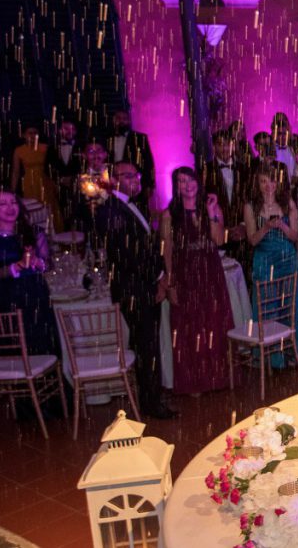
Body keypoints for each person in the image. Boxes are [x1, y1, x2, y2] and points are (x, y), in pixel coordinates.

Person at [95, 162, 175, 418]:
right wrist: (157, 279)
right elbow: (130, 256)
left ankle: (152, 399)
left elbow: (149, 247)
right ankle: (152, 405)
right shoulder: (110, 211)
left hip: (143, 285)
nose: (135, 180)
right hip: (136, 290)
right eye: (128, 176)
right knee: (146, 347)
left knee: (149, 345)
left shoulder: (132, 204)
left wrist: (161, 274)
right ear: (114, 180)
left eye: (136, 175)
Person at [160, 167, 231, 395]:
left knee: (213, 323)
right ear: (176, 187)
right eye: (181, 181)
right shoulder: (169, 214)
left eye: (190, 179)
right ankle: (195, 381)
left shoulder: (212, 208)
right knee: (190, 329)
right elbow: (167, 251)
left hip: (210, 273)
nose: (187, 185)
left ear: (197, 182)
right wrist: (170, 283)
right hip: (185, 275)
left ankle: (216, 377)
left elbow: (219, 240)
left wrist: (211, 212)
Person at [244, 161, 298, 366]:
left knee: (290, 306)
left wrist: (281, 225)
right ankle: (273, 357)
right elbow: (252, 240)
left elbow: (294, 236)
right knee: (267, 306)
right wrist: (265, 228)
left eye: (272, 181)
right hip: (264, 262)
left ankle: (292, 352)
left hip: (286, 261)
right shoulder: (250, 206)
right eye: (264, 181)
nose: (269, 186)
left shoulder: (287, 203)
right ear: (257, 183)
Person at [0, 187, 58, 355]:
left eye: (13, 202)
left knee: (43, 342)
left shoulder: (33, 231)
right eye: (3, 204)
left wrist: (38, 262)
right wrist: (17, 266)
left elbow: (49, 264)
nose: (10, 207)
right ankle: (20, 380)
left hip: (36, 293)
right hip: (6, 297)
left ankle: (49, 378)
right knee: (17, 347)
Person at [203, 130, 252, 256]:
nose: (224, 148)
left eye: (227, 144)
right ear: (214, 147)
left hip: (242, 233)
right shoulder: (205, 170)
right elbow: (202, 202)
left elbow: (251, 198)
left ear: (233, 145)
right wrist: (221, 228)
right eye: (220, 144)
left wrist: (243, 225)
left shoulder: (245, 169)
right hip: (217, 234)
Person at [10, 126, 62, 232]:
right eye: (30, 133)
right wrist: (12, 191)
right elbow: (16, 172)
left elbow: (54, 167)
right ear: (24, 135)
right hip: (30, 182)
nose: (33, 136)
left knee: (49, 206)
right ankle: (37, 236)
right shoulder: (19, 150)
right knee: (33, 208)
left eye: (35, 133)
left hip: (45, 180)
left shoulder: (45, 147)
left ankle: (54, 235)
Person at [106, 110, 155, 204]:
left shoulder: (140, 138)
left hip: (135, 181)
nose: (121, 121)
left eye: (125, 119)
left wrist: (150, 185)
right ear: (113, 120)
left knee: (138, 208)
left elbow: (149, 162)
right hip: (114, 180)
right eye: (118, 118)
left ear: (129, 121)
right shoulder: (107, 138)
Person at [46, 119, 84, 229]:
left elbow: (86, 167)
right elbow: (47, 167)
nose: (69, 131)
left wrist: (75, 179)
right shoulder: (52, 147)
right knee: (63, 213)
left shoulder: (82, 146)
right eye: (66, 129)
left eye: (72, 129)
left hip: (81, 187)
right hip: (60, 188)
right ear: (59, 130)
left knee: (80, 212)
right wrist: (60, 180)